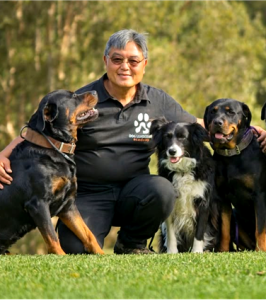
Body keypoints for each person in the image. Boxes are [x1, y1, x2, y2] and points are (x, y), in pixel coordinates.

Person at [1, 29, 266, 254]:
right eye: (117, 59)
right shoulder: (84, 100)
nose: (124, 67)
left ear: (144, 64)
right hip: (90, 194)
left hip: (136, 191)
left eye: (133, 60)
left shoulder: (158, 101)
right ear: (106, 60)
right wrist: (3, 155)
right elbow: (38, 133)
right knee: (77, 250)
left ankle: (132, 243)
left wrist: (251, 131)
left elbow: (197, 126)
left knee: (163, 189)